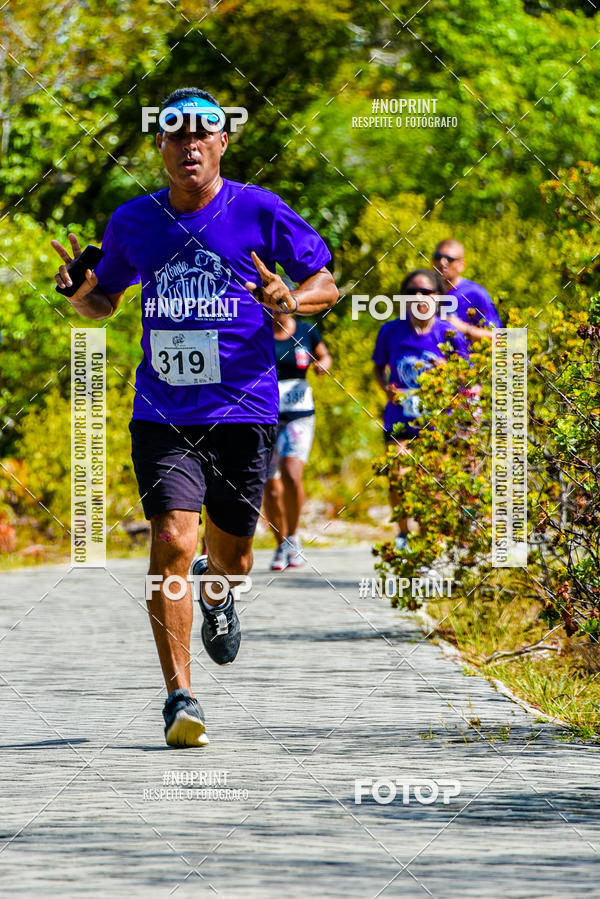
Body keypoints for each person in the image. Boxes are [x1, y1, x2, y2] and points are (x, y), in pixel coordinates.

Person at [51, 87, 338, 747]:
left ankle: (219, 588)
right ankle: (180, 697)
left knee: (233, 557)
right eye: (176, 133)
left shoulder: (258, 208)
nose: (190, 144)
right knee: (173, 540)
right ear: (161, 146)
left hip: (243, 410)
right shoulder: (134, 220)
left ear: (222, 142)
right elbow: (104, 305)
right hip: (164, 412)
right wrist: (81, 292)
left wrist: (289, 297)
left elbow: (324, 282)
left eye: (202, 132)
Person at [373, 269, 468, 552]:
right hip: (400, 418)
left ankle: (430, 545)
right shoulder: (390, 331)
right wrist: (386, 388)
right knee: (397, 474)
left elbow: (466, 376)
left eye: (425, 292)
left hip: (437, 423)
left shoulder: (448, 333)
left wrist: (448, 370)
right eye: (411, 292)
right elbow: (378, 367)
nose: (418, 297)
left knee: (433, 486)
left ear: (437, 297)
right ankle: (403, 534)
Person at [263, 307, 331, 571]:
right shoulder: (258, 331)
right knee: (270, 484)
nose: (277, 310)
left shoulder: (306, 330)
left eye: (282, 304)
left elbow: (324, 354)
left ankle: (293, 536)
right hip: (266, 416)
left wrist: (322, 364)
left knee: (291, 474)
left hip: (299, 415)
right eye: (271, 305)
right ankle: (280, 543)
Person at [432, 239, 502, 341]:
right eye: (438, 257)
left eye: (449, 259)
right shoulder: (422, 292)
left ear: (462, 265)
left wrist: (465, 329)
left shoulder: (475, 294)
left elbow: (503, 340)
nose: (442, 262)